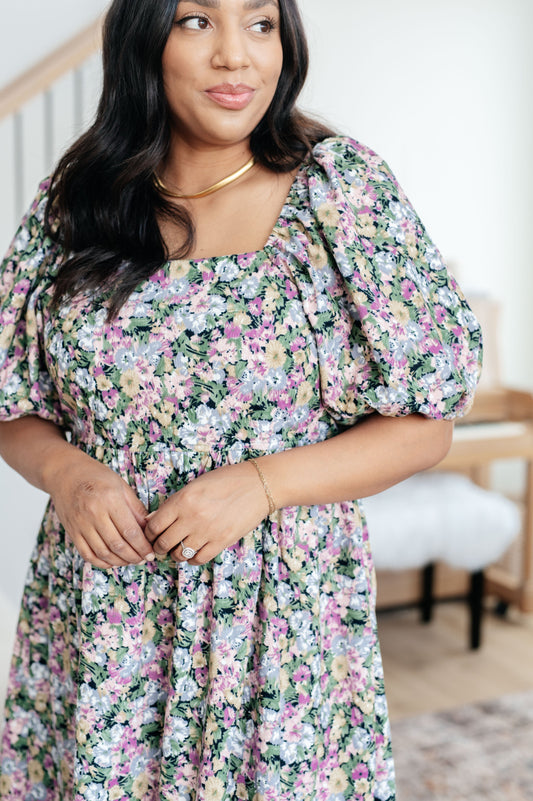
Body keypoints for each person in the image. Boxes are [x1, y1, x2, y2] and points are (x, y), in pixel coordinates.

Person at [0, 0, 482, 799]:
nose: (237, 56)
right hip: (105, 605)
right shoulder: (78, 199)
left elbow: (424, 426)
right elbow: (14, 401)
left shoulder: (339, 189)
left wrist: (262, 483)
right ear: (143, 39)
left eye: (260, 23)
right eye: (197, 21)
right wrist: (66, 474)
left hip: (277, 612)